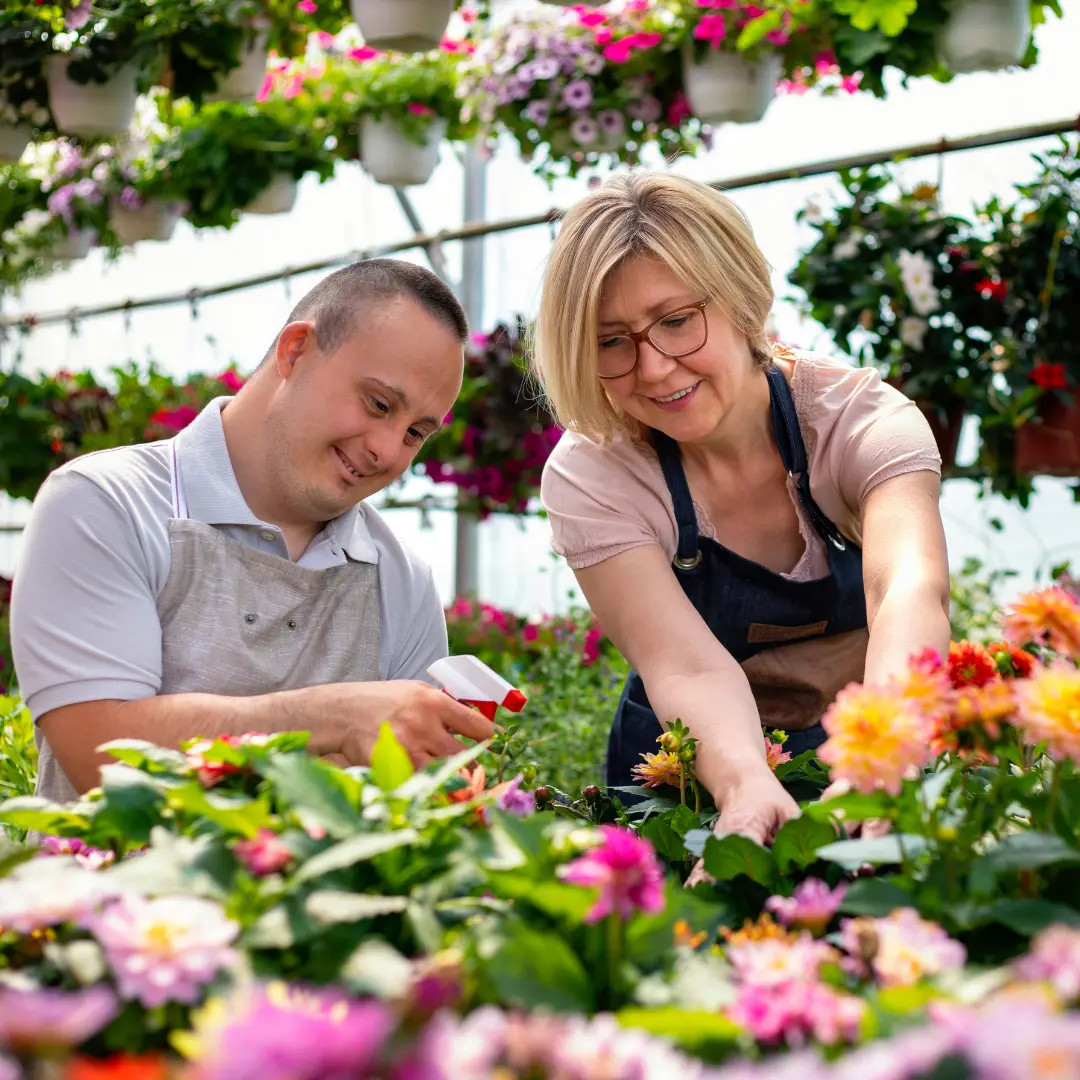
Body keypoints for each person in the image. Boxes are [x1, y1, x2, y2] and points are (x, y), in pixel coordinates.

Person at [533, 173, 951, 847]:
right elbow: (685, 666)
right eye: (612, 341)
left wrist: (889, 748)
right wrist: (744, 783)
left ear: (744, 302)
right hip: (686, 773)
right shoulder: (594, 473)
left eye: (675, 322)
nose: (654, 369)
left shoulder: (860, 423)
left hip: (858, 739)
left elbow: (904, 587)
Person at [12, 258, 494, 803]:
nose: (386, 449)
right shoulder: (106, 503)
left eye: (415, 433)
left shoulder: (401, 581)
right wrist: (332, 718)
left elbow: (414, 802)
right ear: (296, 351)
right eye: (378, 404)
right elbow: (99, 756)